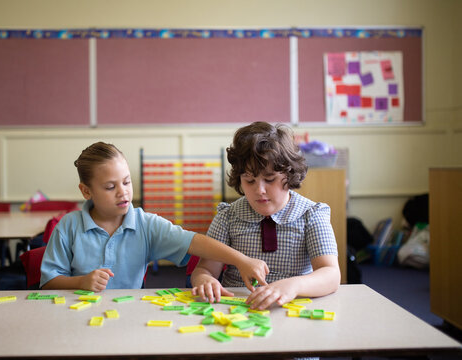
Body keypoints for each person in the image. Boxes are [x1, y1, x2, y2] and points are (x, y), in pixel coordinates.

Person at [40, 141, 268, 292]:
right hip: (74, 317)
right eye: (110, 187)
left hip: (127, 317)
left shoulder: (145, 224)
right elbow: (48, 282)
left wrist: (242, 260)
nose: (123, 192)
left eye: (127, 182)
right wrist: (81, 282)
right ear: (86, 191)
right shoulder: (68, 226)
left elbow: (195, 241)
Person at [191, 122, 340, 310]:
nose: (259, 190)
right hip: (238, 310)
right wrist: (204, 279)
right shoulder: (228, 216)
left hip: (293, 308)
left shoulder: (311, 214)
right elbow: (204, 269)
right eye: (249, 180)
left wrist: (293, 286)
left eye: (269, 179)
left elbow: (331, 274)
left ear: (290, 173)